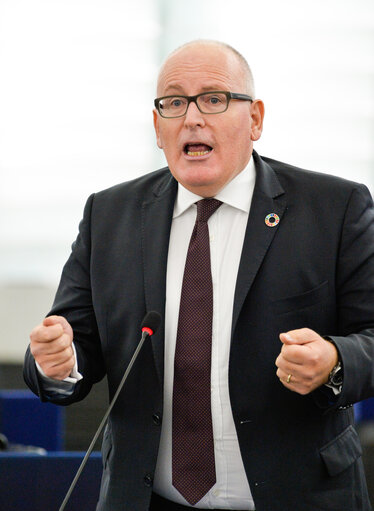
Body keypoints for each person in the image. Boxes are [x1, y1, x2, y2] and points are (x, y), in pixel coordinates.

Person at [24, 40, 374, 511]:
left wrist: (334, 358)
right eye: (174, 102)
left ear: (255, 119)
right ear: (157, 125)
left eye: (214, 98)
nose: (192, 117)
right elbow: (72, 342)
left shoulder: (334, 209)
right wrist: (58, 361)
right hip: (148, 499)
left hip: (297, 495)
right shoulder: (109, 214)